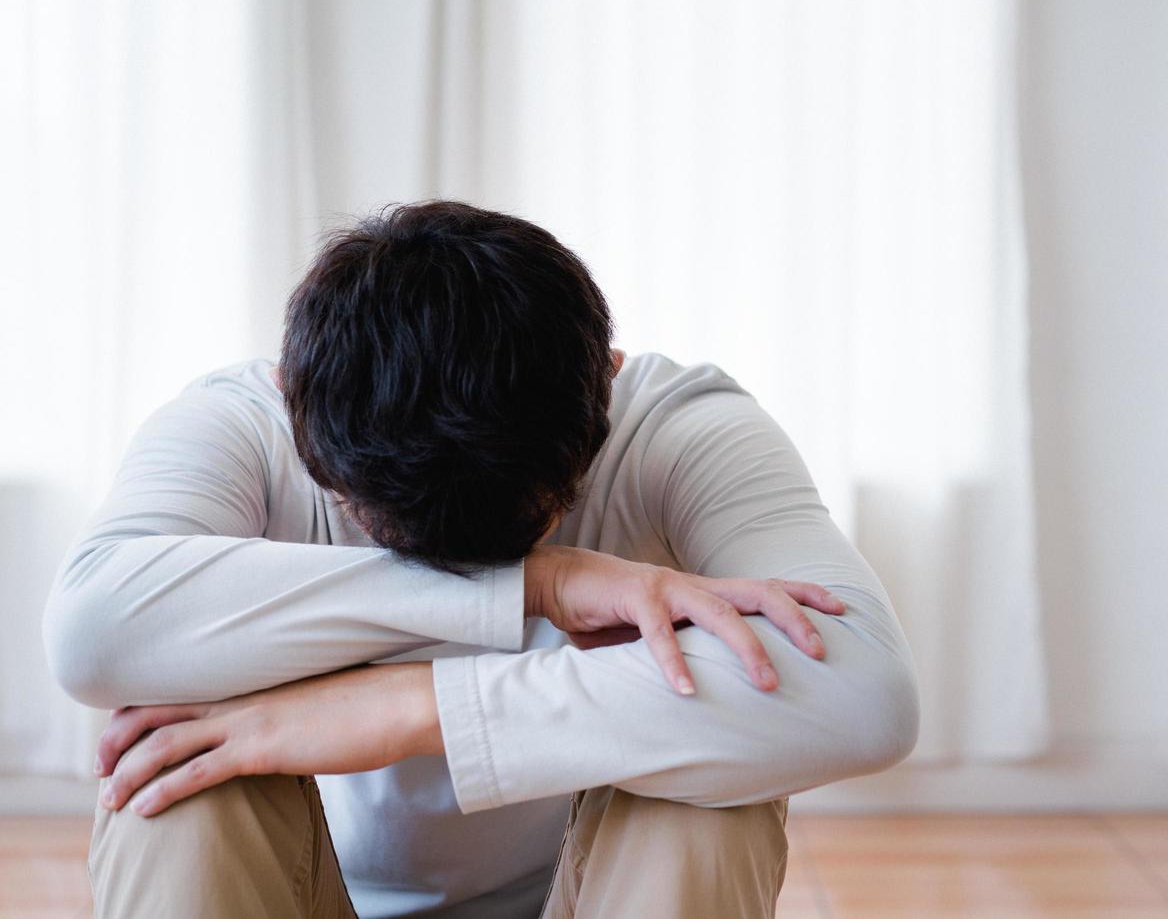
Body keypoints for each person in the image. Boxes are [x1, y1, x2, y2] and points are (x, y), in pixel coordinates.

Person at [43, 200, 920, 918]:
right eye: (380, 521)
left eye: (525, 531)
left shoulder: (679, 427)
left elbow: (865, 693)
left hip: (589, 896)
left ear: (606, 389)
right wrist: (539, 582)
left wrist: (417, 705)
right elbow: (91, 632)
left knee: (706, 802)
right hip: (302, 891)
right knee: (174, 785)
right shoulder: (237, 423)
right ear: (290, 397)